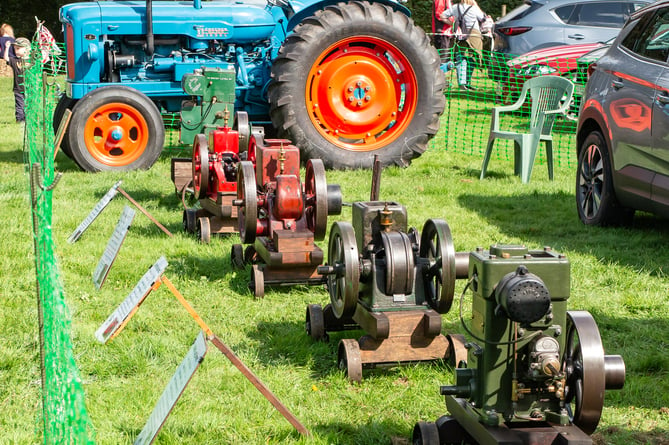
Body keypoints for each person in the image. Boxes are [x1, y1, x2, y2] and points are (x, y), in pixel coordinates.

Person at [440, 0, 491, 90]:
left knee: (461, 57)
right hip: (474, 34)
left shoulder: (455, 7)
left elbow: (442, 16)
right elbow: (483, 18)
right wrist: (476, 5)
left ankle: (462, 83)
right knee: (472, 58)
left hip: (460, 33)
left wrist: (453, 24)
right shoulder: (474, 8)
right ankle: (467, 82)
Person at [4, 37, 30, 123]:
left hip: (29, 88)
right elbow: (6, 58)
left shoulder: (32, 61)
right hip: (18, 89)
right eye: (15, 49)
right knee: (19, 106)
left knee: (29, 105)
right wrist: (7, 48)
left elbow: (42, 60)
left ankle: (29, 119)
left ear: (27, 49)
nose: (16, 51)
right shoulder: (15, 61)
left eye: (18, 48)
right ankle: (20, 120)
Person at [432, 0, 455, 73]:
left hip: (447, 33)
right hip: (442, 32)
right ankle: (438, 77)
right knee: (442, 58)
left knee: (445, 57)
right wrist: (452, 23)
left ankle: (441, 77)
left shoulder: (448, 1)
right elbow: (439, 15)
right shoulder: (441, 0)